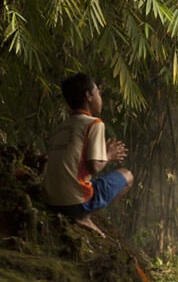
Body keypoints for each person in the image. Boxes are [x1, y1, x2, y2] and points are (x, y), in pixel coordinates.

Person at [42, 73, 134, 239]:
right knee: (127, 176)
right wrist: (108, 154)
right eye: (98, 92)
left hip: (51, 202)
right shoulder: (94, 124)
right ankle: (84, 217)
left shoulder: (62, 127)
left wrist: (102, 152)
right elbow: (94, 166)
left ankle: (82, 212)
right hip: (75, 204)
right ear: (88, 96)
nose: (100, 97)